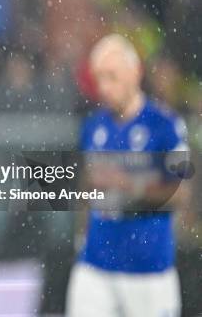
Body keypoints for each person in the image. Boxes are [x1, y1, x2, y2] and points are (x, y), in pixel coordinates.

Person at [66, 34, 189, 317]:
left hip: (148, 270)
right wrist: (81, 236)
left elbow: (180, 193)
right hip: (95, 266)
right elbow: (87, 185)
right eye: (99, 79)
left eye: (112, 76)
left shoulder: (165, 126)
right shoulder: (92, 127)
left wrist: (129, 185)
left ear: (135, 72)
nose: (105, 88)